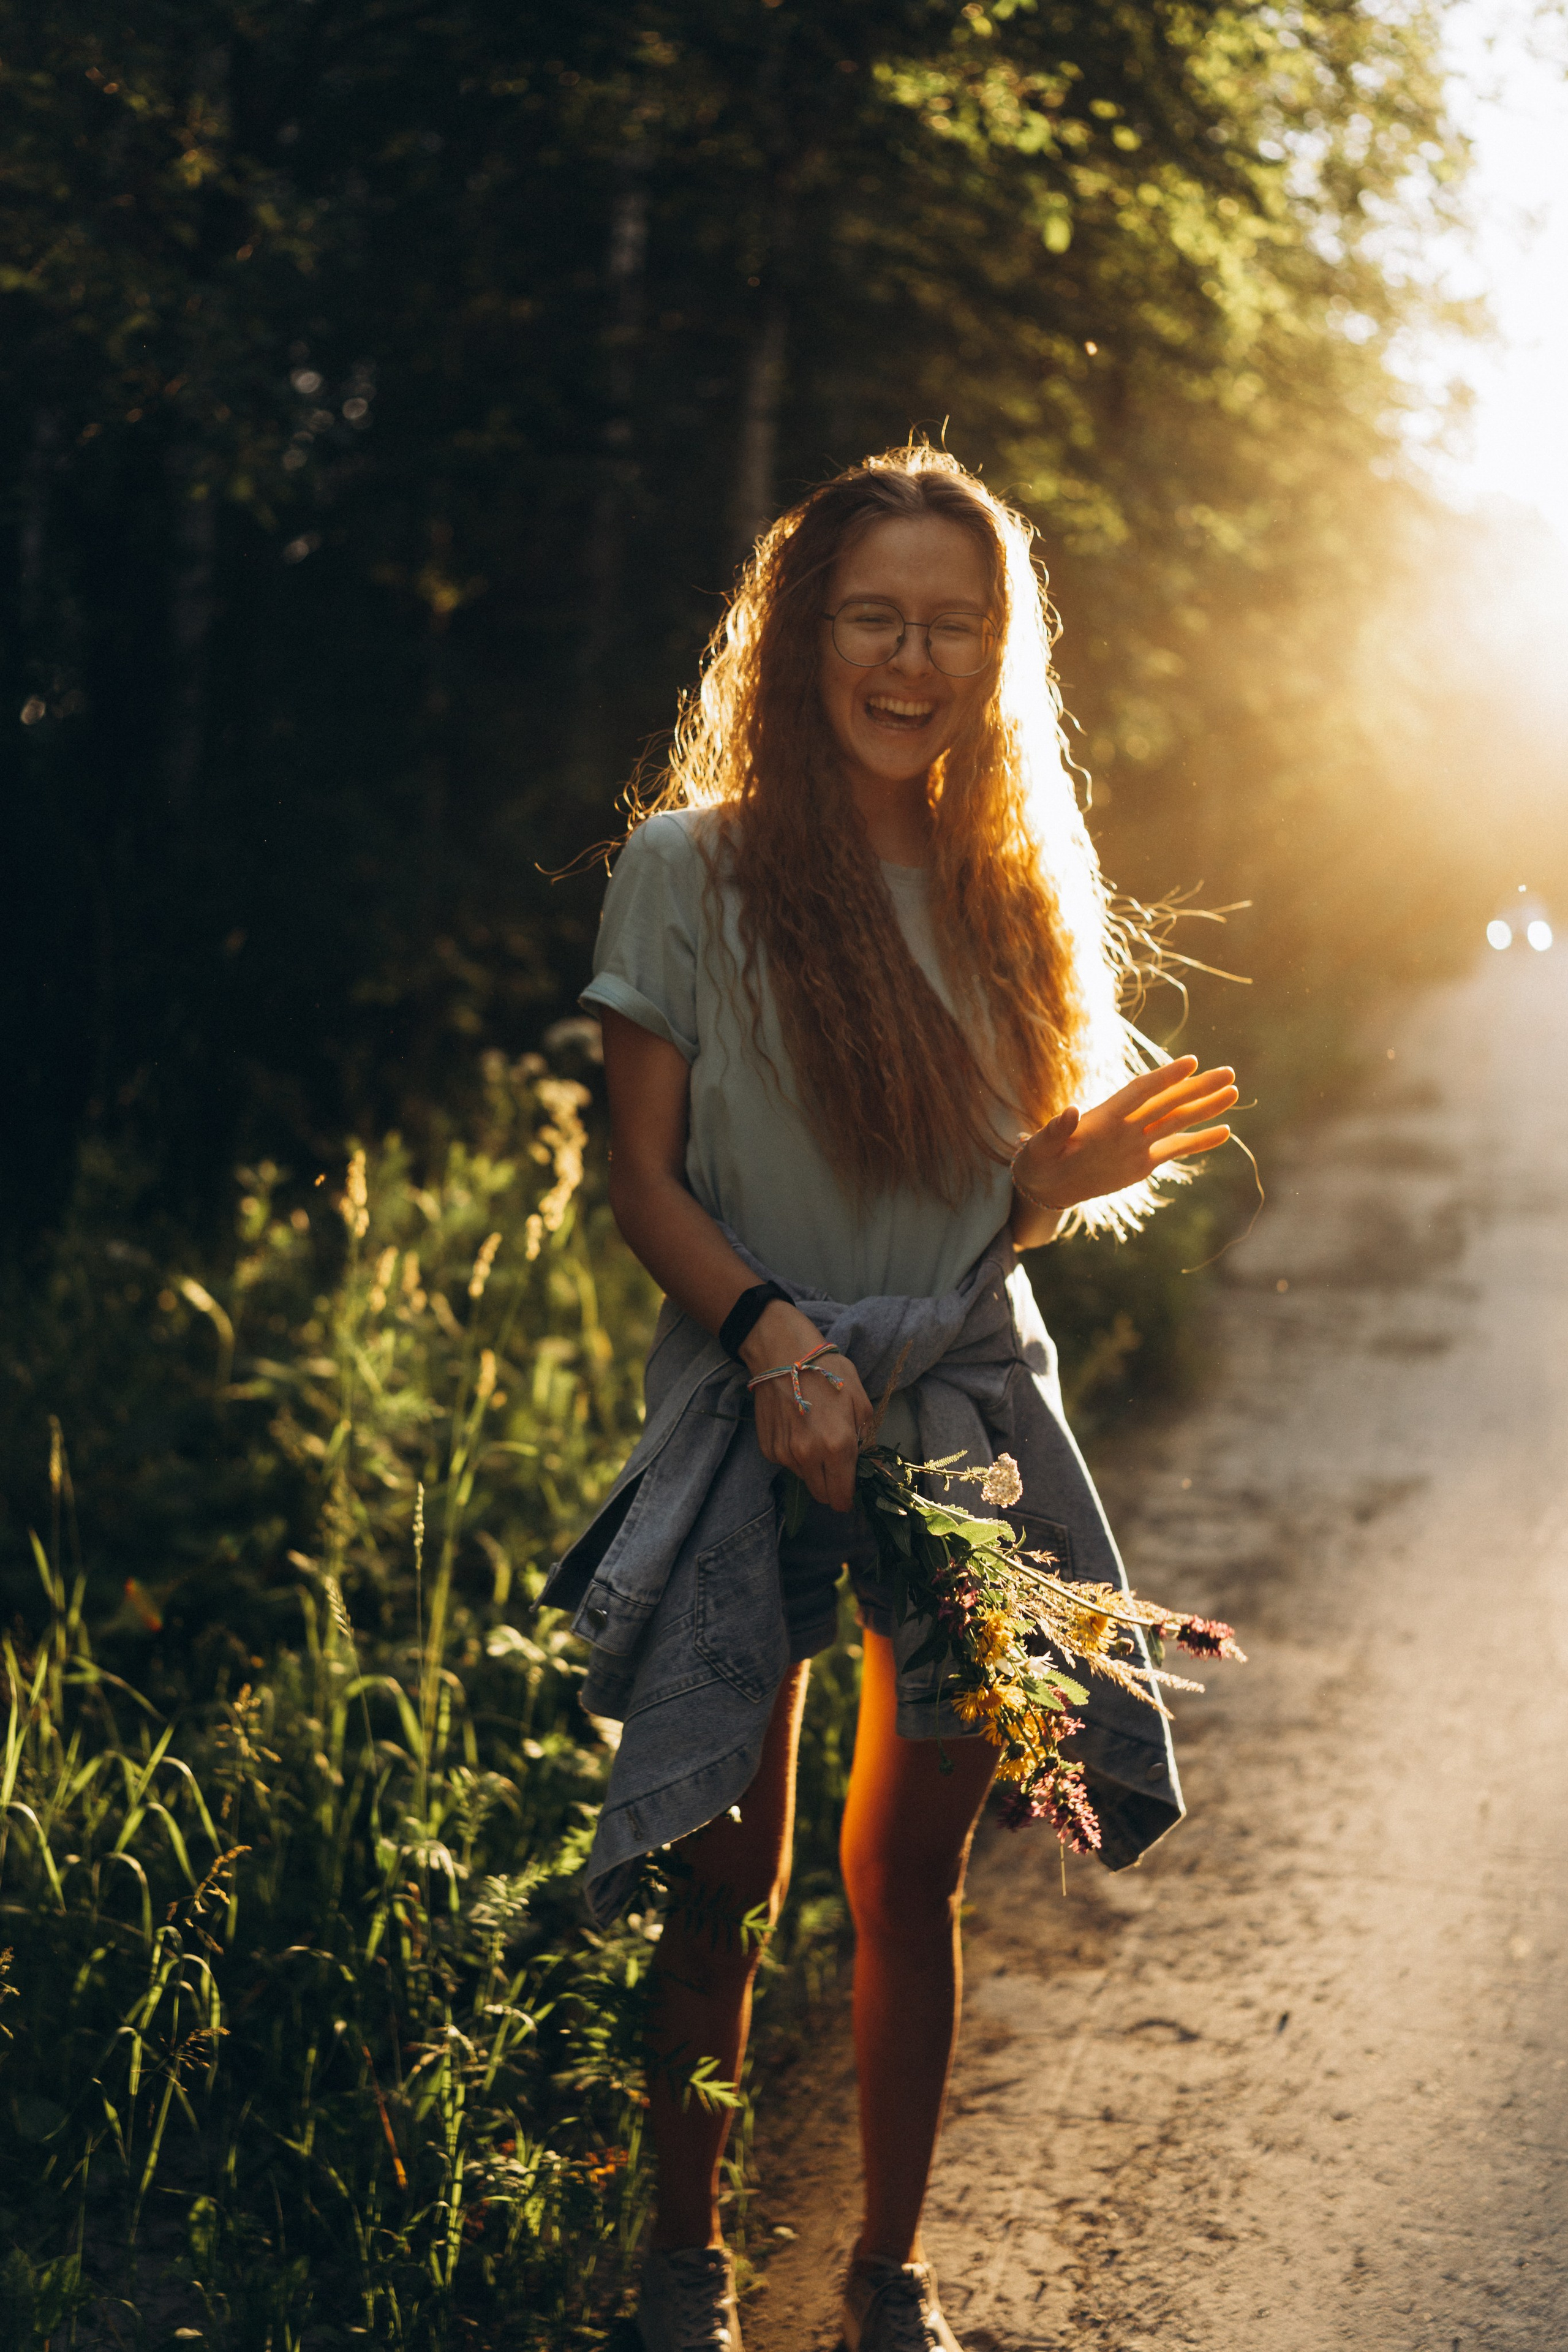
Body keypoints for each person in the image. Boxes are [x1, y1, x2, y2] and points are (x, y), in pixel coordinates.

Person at [564, 446, 1237, 2352]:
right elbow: (645, 1182)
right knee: (727, 1869)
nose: (914, 656)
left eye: (955, 623)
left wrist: (1054, 1178)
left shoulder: (1015, 886)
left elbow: (987, 1213)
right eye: (878, 616)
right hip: (746, 1394)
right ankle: (684, 2279)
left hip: (959, 1408)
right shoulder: (686, 867)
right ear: (805, 637)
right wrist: (777, 1342)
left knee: (905, 1876)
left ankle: (887, 2277)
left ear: (996, 653)